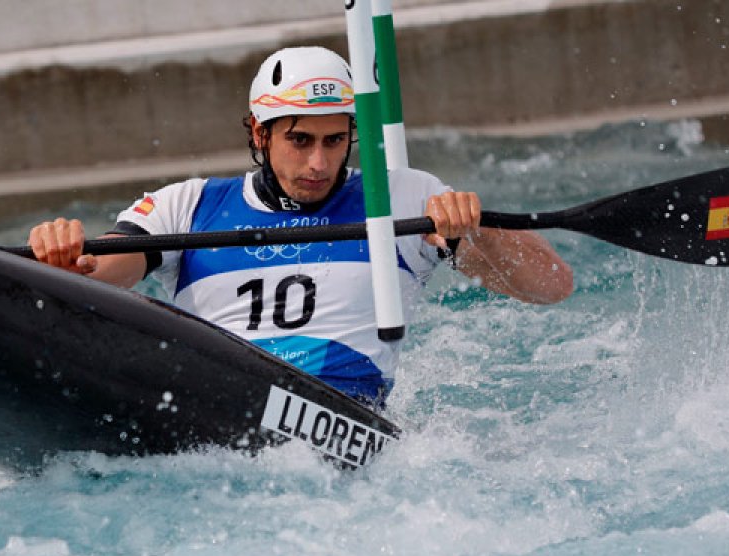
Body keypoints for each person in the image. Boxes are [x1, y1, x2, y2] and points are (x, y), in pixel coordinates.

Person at [29, 46, 573, 408]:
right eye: (300, 140)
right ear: (259, 135)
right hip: (211, 396)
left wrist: (476, 234)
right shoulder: (187, 205)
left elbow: (552, 286)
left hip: (340, 412)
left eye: (334, 141)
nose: (318, 164)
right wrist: (65, 260)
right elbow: (106, 271)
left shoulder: (402, 197)